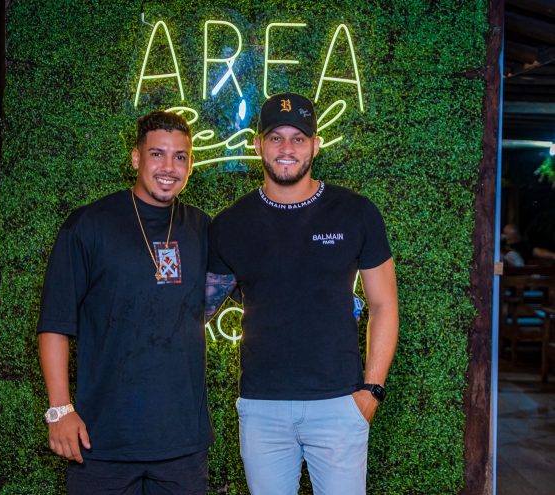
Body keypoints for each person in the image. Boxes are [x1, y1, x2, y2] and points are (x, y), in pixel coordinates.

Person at [205, 93, 399, 494]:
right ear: (258, 144)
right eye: (276, 138)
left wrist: (371, 391)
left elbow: (383, 305)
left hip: (339, 404)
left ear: (315, 144)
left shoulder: (355, 213)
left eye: (298, 138)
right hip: (262, 408)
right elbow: (194, 310)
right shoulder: (230, 224)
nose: (287, 149)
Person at [37, 110, 213, 494]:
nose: (169, 167)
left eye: (180, 156)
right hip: (100, 442)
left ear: (191, 164)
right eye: (157, 154)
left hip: (182, 443)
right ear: (136, 158)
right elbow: (55, 323)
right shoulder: (88, 225)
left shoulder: (201, 228)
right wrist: (60, 410)